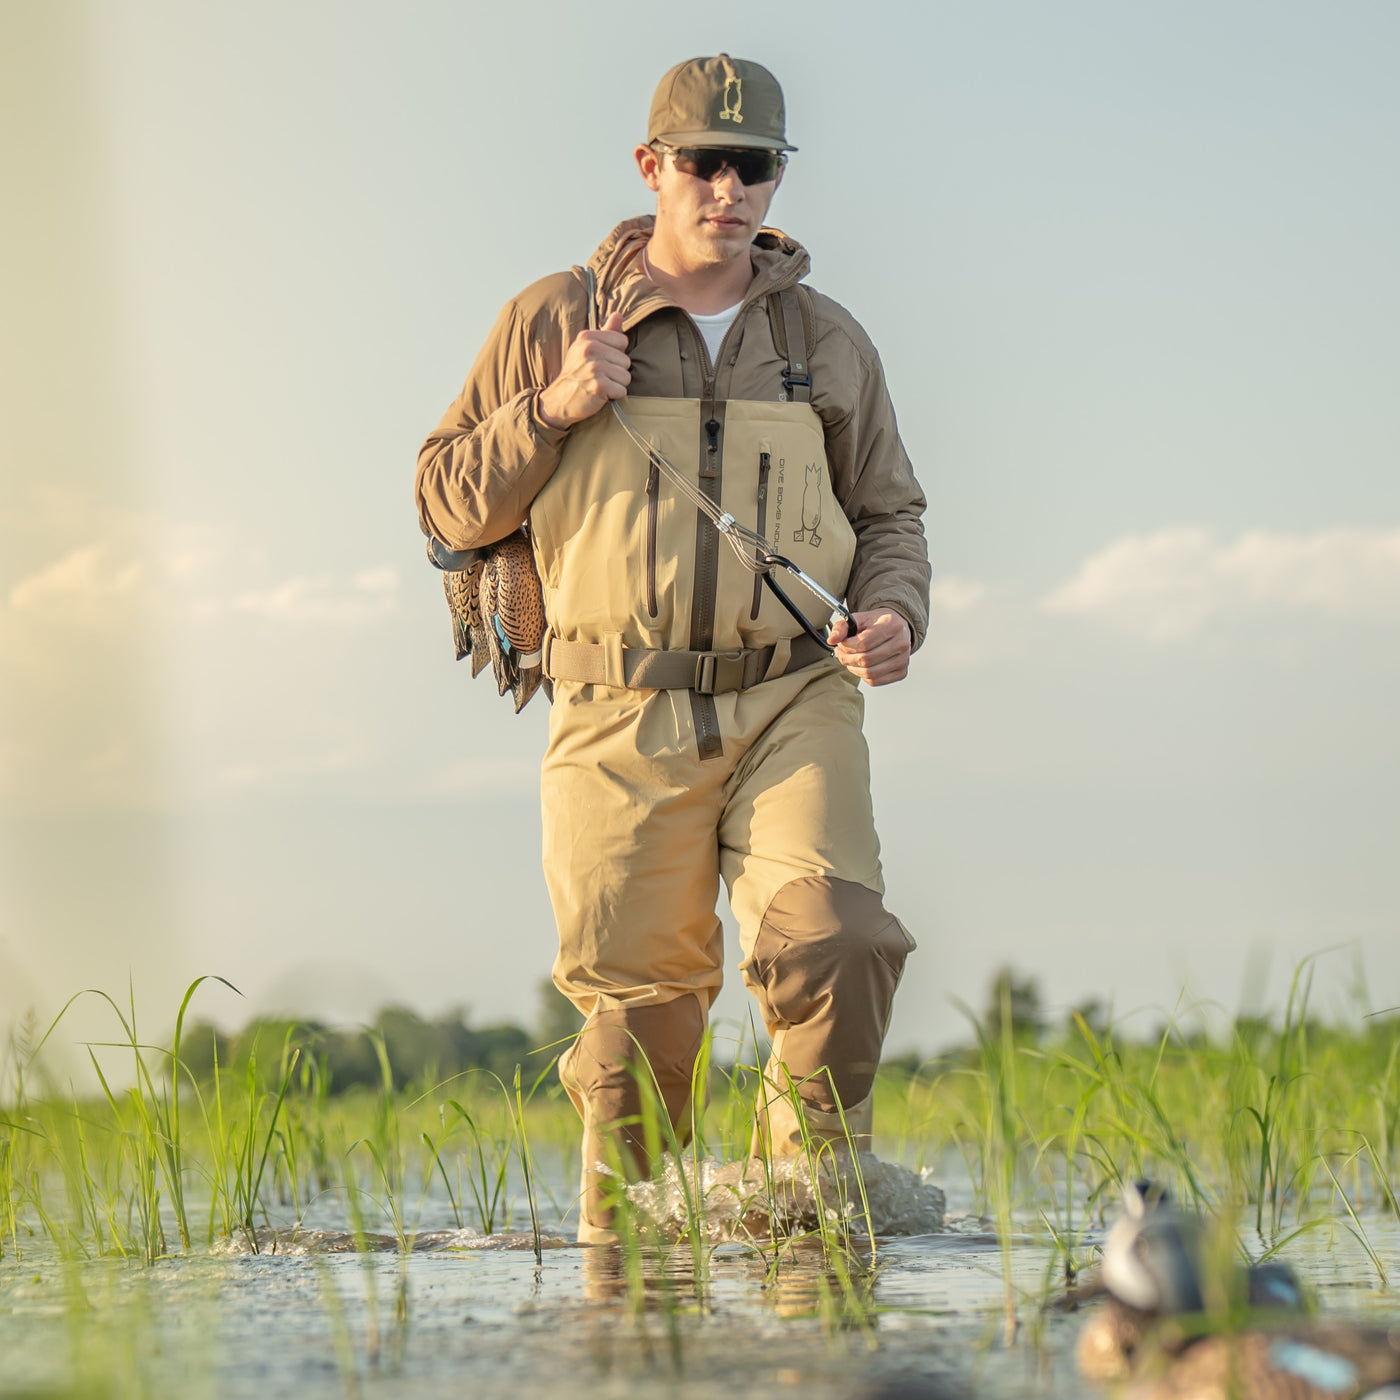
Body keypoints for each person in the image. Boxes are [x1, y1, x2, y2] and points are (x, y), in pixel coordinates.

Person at [416, 54, 930, 1243]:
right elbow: (444, 502)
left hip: (791, 698)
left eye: (755, 166)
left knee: (836, 940)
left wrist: (896, 611)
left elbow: (891, 513)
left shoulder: (826, 338)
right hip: (613, 709)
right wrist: (546, 411)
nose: (729, 188)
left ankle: (803, 1230)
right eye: (705, 162)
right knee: (637, 1027)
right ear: (651, 167)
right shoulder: (551, 316)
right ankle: (633, 1284)